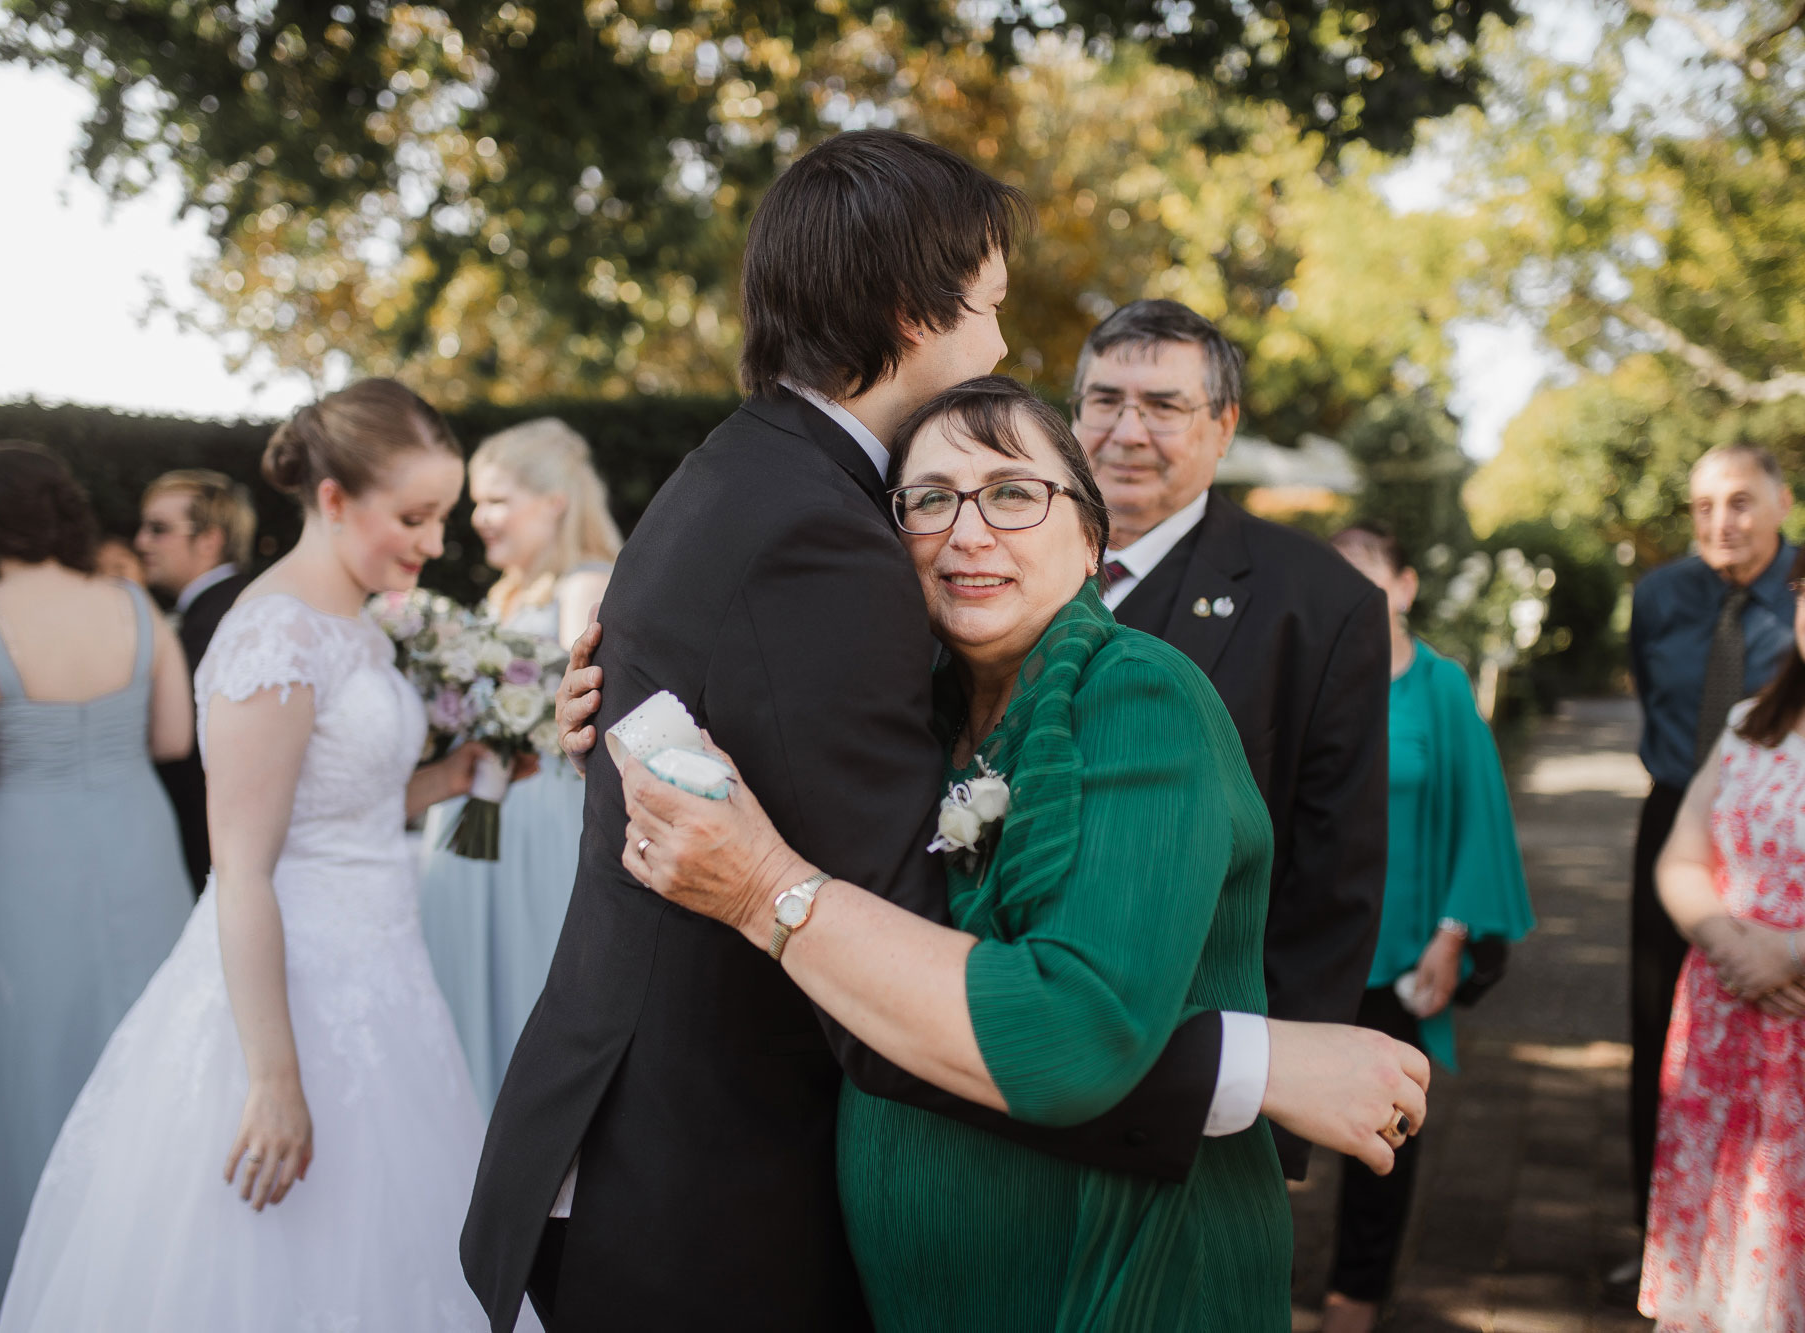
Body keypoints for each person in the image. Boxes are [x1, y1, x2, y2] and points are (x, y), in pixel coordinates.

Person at [468, 130, 1427, 1333]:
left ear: (1089, 540)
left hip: (688, 1156)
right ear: (913, 311)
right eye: (987, 308)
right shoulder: (818, 534)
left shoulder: (747, 476)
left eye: (1018, 494)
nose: (998, 344)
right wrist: (1253, 1070)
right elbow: (899, 962)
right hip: (711, 1194)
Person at [620, 377, 1423, 1331]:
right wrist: (599, 704)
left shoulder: (1137, 698)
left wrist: (762, 889)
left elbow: (1070, 1033)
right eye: (929, 500)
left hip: (1117, 1278)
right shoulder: (909, 711)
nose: (967, 531)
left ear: (1091, 541)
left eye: (1011, 492)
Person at [0, 381, 537, 1332]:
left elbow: (338, 812)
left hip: (388, 979)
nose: (434, 543)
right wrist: (276, 1081)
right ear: (332, 500)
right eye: (413, 517)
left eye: (440, 516)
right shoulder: (270, 637)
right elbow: (241, 866)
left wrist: (448, 778)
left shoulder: (359, 625)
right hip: (290, 996)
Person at [1071, 298, 1392, 1178]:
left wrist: (1272, 1115)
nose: (1127, 431)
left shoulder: (1322, 607)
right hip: (1011, 1038)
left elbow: (1335, 878)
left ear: (1223, 426)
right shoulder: (1000, 555)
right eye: (1104, 401)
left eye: (1164, 406)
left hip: (1200, 1073)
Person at [0, 442, 194, 1333]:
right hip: (135, 840)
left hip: (27, 851)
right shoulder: (133, 604)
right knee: (150, 1050)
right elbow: (170, 738)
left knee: (28, 1060)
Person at [1640, 520, 1805, 1330]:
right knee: (1741, 1274)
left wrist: (1790, 952)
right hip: (1734, 1044)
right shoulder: (1752, 725)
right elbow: (1681, 861)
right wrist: (1734, 945)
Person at [1322, 522, 1535, 1333]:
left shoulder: (1440, 686)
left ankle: (1355, 1298)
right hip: (1308, 949)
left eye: (1366, 576)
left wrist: (1452, 935)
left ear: (1404, 586)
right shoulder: (1307, 675)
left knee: (1384, 1133)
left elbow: (1482, 813)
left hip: (1399, 952)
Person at [1620, 444, 1796, 1289]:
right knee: (1658, 1034)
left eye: (1739, 501)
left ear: (1780, 502)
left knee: (1773, 1028)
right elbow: (1651, 692)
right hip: (1673, 819)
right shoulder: (1657, 598)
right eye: (1702, 507)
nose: (1720, 522)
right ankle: (1656, 1238)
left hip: (1782, 837)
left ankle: (1767, 1241)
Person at [418, 418, 620, 1107]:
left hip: (539, 823)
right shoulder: (501, 595)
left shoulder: (585, 581)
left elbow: (585, 694)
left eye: (497, 500)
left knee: (526, 987)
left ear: (554, 501)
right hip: (469, 818)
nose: (480, 518)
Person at [137, 469, 258, 893]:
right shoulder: (217, 609)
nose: (141, 543)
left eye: (158, 530)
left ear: (210, 540)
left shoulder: (220, 620)